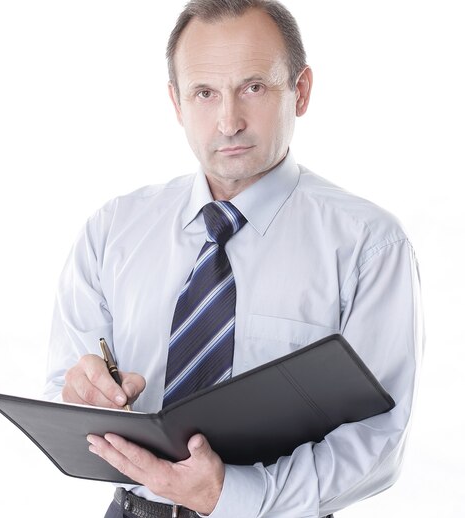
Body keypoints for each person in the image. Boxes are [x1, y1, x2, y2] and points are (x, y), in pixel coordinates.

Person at [44, 1, 423, 517]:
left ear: (301, 90)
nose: (228, 121)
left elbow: (377, 440)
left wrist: (226, 497)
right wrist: (81, 396)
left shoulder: (368, 244)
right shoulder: (113, 230)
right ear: (177, 103)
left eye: (253, 87)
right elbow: (64, 390)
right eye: (204, 93)